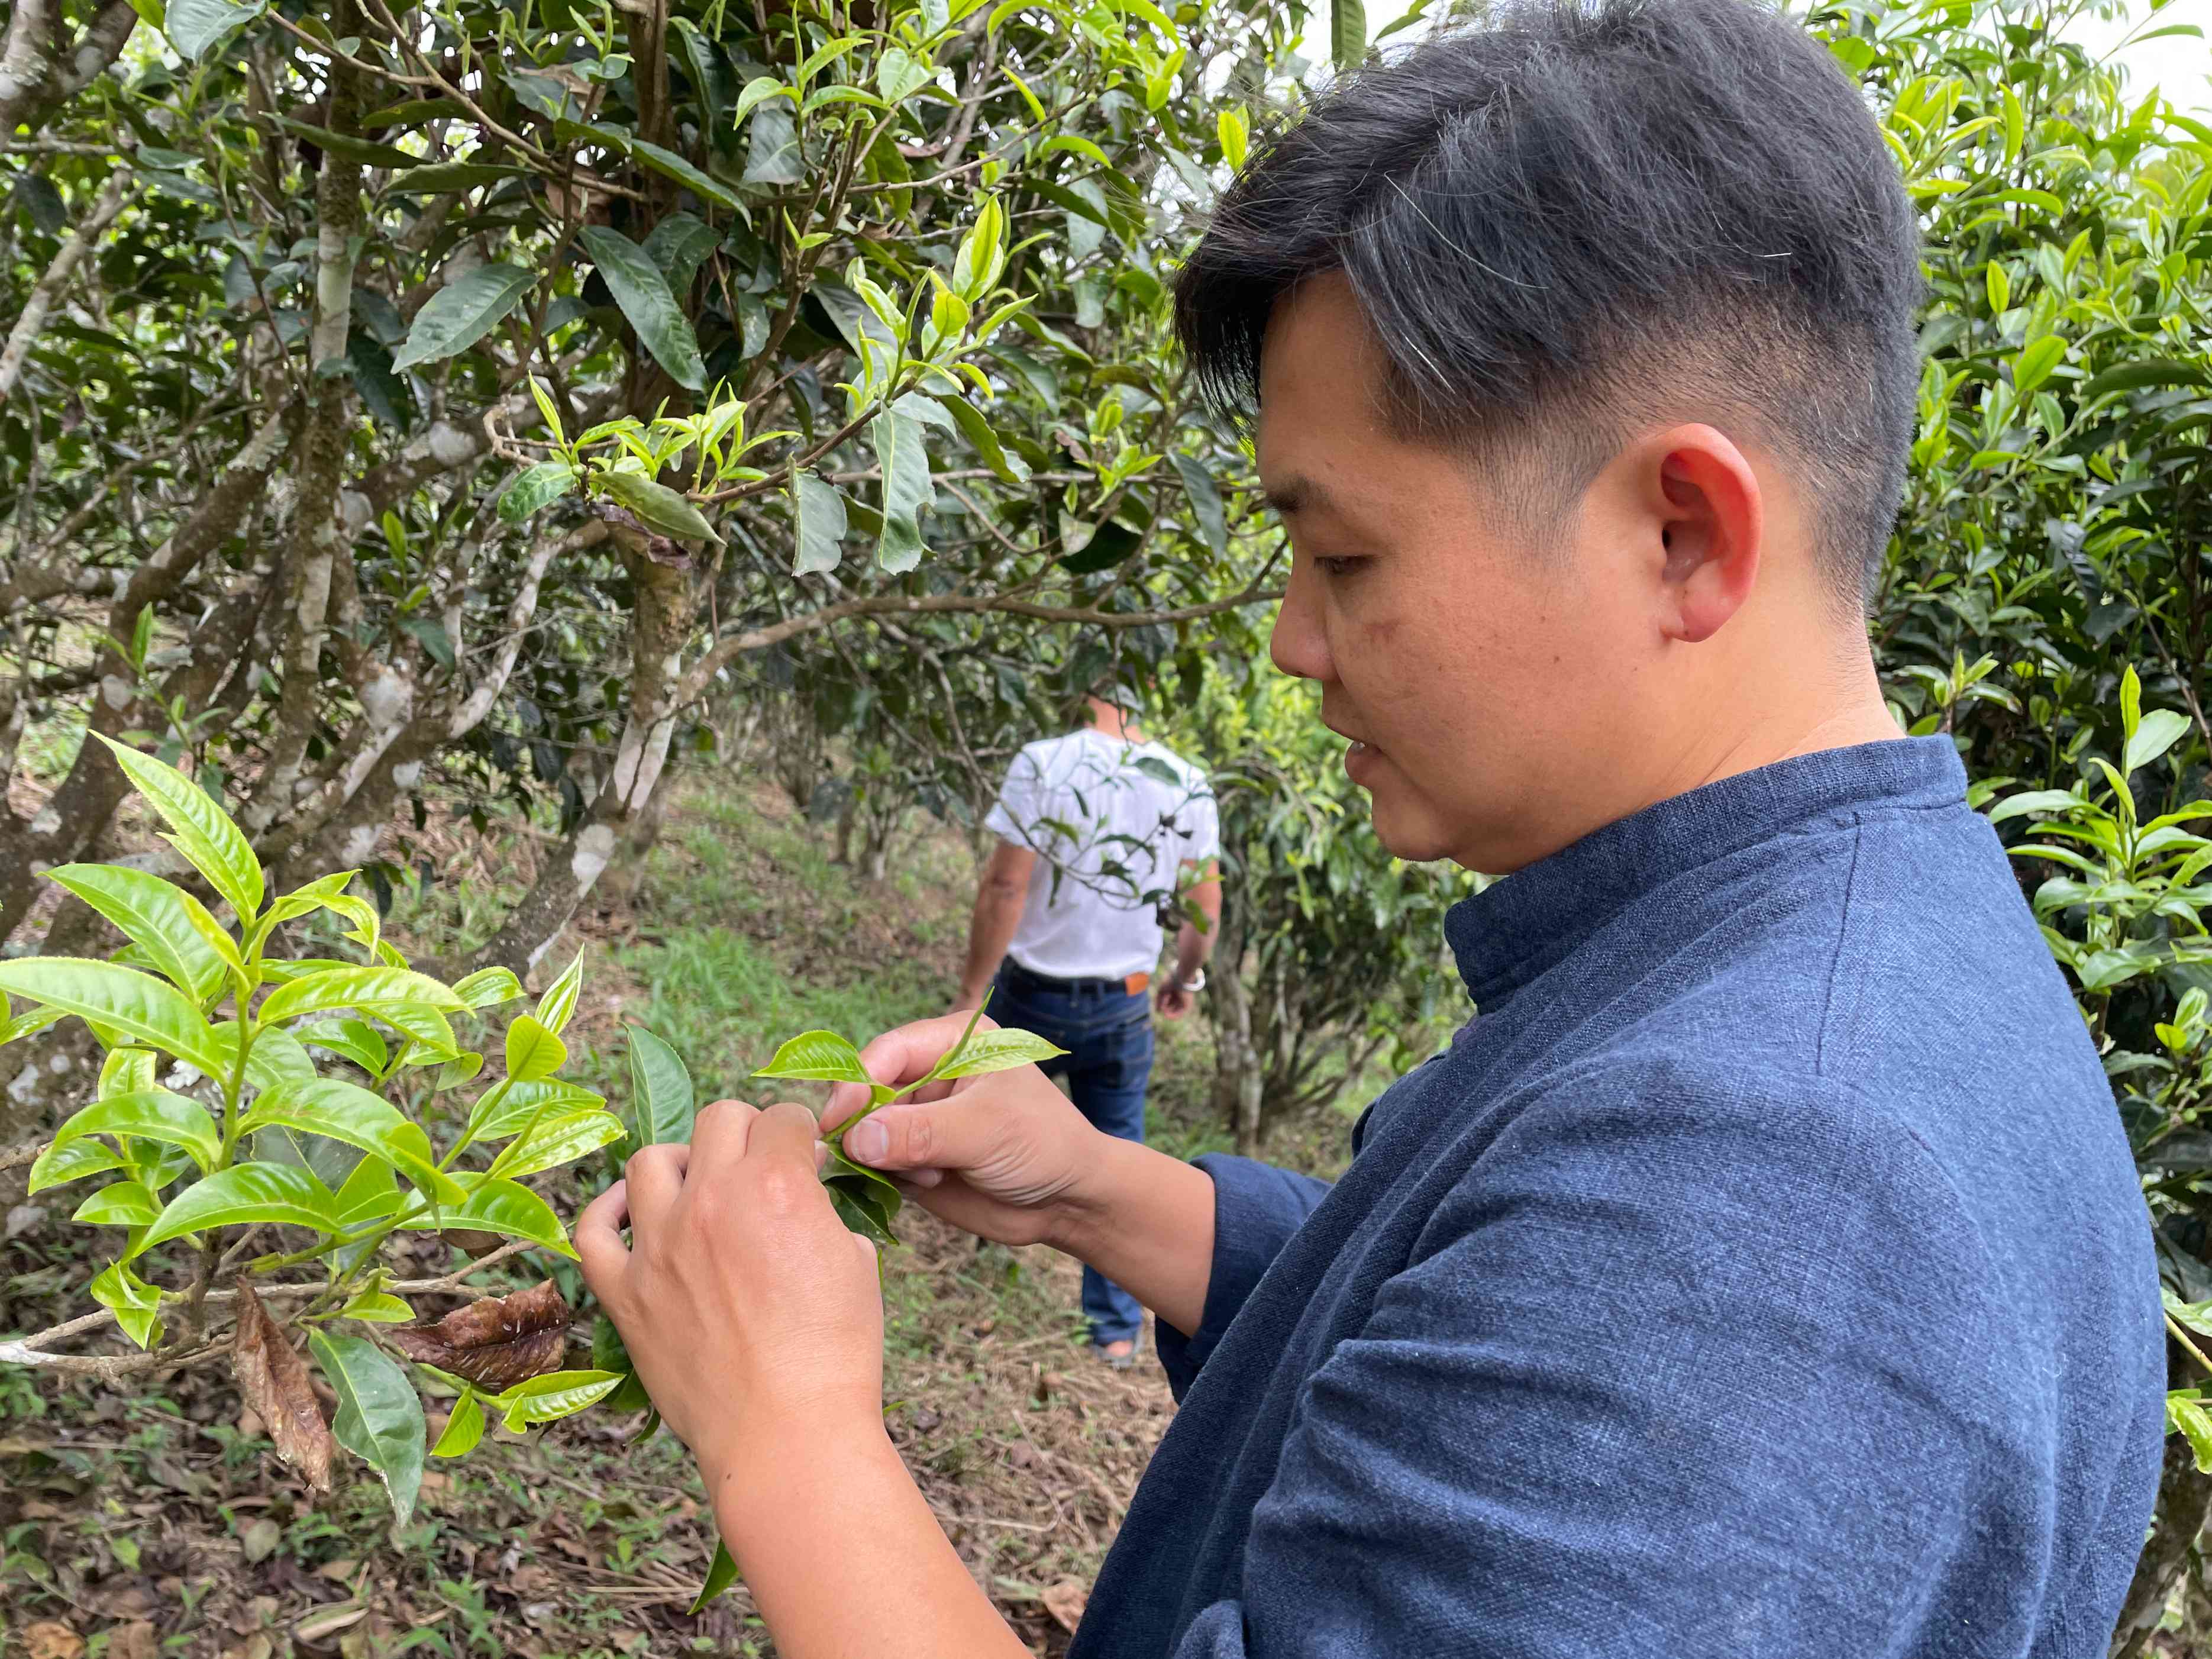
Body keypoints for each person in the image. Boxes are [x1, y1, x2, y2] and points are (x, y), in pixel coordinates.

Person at [577, 1, 2166, 1654]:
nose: (1290, 640)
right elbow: (1477, 1365)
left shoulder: (1769, 1191)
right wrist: (1096, 1198)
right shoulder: (1821, 982)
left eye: (1342, 557)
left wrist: (790, 1428)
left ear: (1680, 532)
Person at [952, 674, 1221, 1366]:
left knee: (986, 1113)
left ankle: (980, 1244)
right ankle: (1115, 1328)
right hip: (1123, 1001)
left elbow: (1007, 884)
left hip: (1031, 992)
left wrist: (970, 993)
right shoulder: (1185, 782)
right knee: (1116, 1151)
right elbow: (1203, 901)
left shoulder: (1045, 761)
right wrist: (1185, 976)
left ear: (1081, 692)